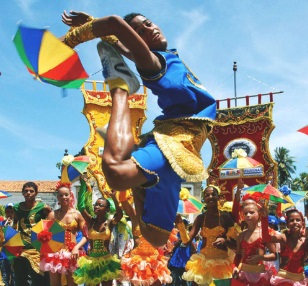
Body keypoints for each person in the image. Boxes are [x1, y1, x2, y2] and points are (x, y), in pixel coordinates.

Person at [60, 10, 216, 248]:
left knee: (156, 237)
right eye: (140, 32)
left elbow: (125, 45)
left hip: (183, 152)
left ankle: (141, 181)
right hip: (170, 142)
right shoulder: (155, 63)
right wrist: (68, 42)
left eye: (149, 24)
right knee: (116, 175)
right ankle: (121, 87)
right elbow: (114, 23)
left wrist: (92, 24)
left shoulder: (168, 58)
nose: (149, 29)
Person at [182, 185, 236, 286]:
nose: (210, 197)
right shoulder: (200, 218)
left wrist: (225, 240)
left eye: (213, 194)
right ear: (204, 199)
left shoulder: (226, 217)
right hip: (202, 263)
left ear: (218, 197)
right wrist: (180, 225)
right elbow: (186, 241)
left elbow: (235, 245)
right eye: (207, 195)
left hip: (222, 264)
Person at [39, 181, 88, 286]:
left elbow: (86, 235)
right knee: (55, 284)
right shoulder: (53, 215)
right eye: (61, 195)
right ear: (58, 198)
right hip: (55, 254)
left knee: (72, 284)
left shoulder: (77, 214)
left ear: (71, 196)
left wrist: (76, 248)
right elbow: (44, 235)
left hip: (73, 253)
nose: (64, 197)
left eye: (66, 194)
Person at [73, 193, 123, 286]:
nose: (97, 206)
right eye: (96, 204)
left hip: (106, 261)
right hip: (91, 261)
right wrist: (84, 184)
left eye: (101, 205)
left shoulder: (109, 223)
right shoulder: (90, 221)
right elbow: (80, 207)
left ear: (107, 209)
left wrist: (114, 197)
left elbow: (120, 214)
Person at [12, 181, 54, 286]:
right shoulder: (16, 208)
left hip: (38, 250)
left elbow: (51, 226)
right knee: (20, 279)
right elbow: (15, 225)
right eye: (26, 191)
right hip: (22, 249)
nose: (28, 193)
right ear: (22, 193)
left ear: (36, 193)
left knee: (40, 280)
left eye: (31, 191)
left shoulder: (44, 208)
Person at [269, 209, 308, 286]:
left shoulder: (305, 241)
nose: (295, 222)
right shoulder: (283, 238)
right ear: (287, 224)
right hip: (283, 279)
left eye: (298, 220)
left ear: (302, 223)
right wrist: (264, 218)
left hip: (300, 280)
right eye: (291, 220)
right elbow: (266, 238)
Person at [0, 203, 15, 286]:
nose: (10, 214)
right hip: (3, 255)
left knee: (14, 277)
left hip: (14, 255)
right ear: (5, 213)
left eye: (12, 212)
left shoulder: (17, 224)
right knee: (4, 277)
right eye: (8, 212)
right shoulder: (2, 224)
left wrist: (12, 226)